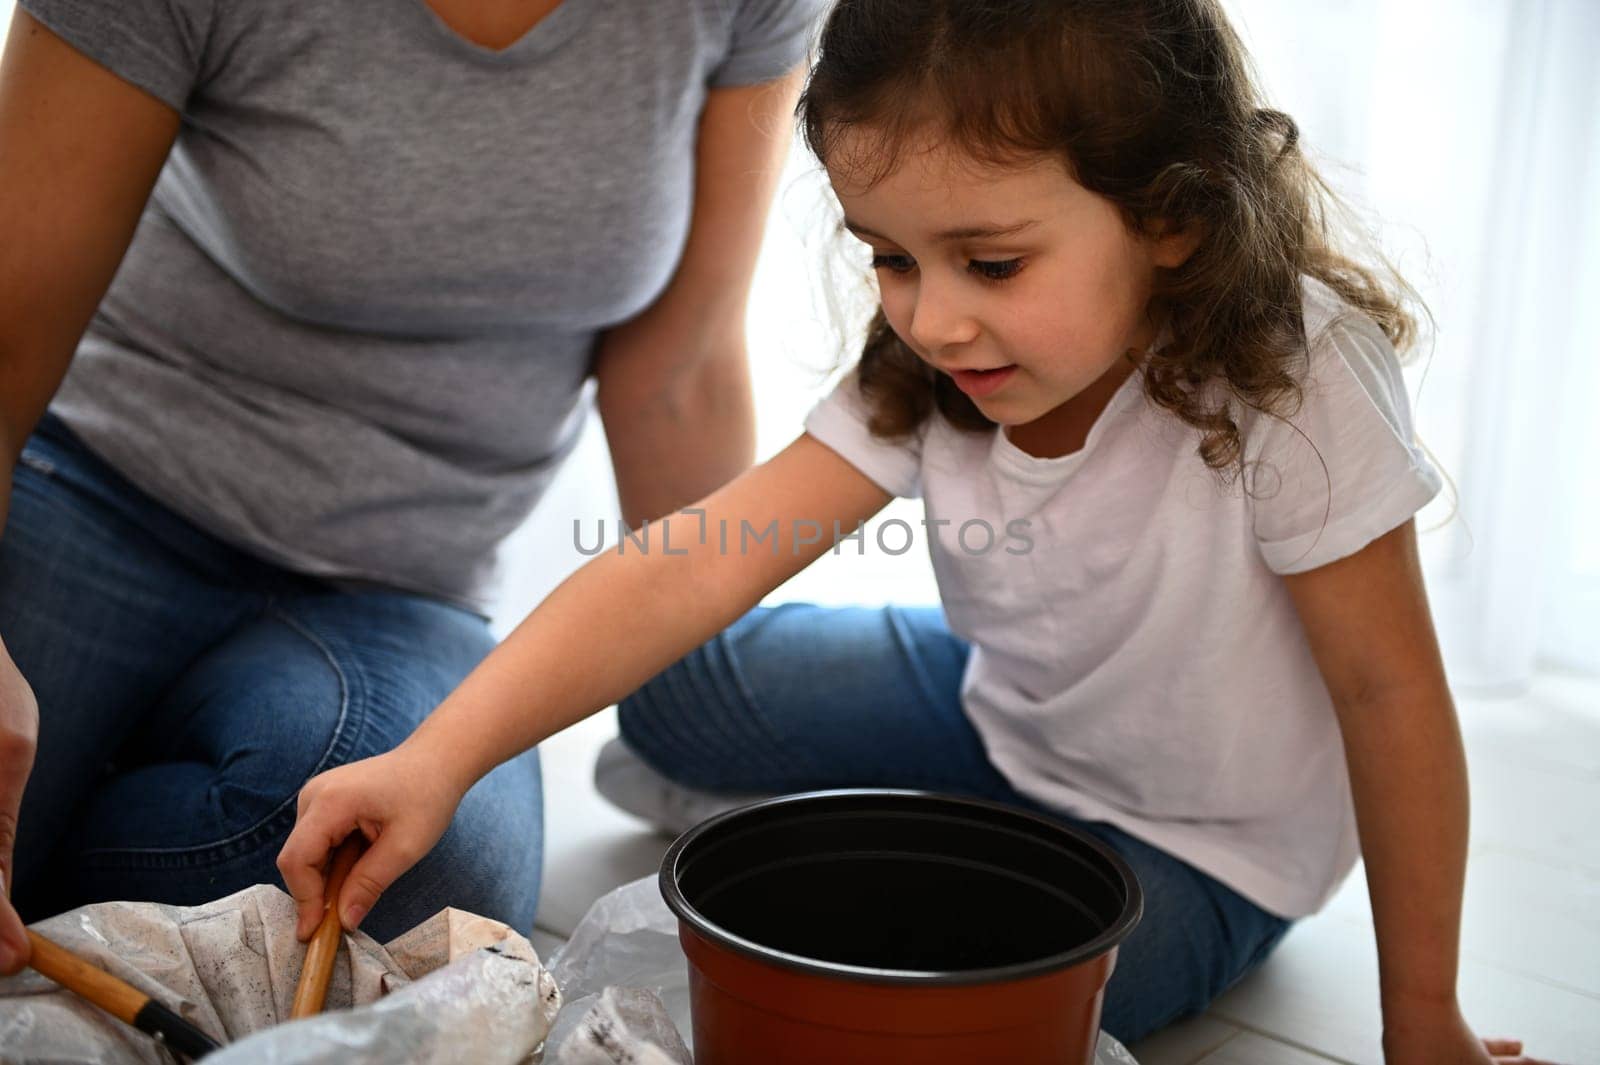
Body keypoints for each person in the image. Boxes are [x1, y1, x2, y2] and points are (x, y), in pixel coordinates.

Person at [277, 1, 1543, 1059]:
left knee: (944, 1011)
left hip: (1202, 845)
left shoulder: (1294, 379)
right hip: (1006, 707)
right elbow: (690, 561)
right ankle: (908, 793)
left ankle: (921, 824)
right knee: (669, 692)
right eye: (888, 256)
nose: (930, 321)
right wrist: (435, 759)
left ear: (1173, 216)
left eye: (988, 265)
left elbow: (1389, 698)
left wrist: (1419, 1009)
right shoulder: (935, 368)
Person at [0, 0, 825, 973]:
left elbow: (678, 375)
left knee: (422, 887)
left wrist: (711, 691)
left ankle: (64, 827)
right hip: (89, 492)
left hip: (399, 583)